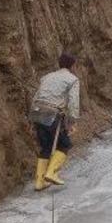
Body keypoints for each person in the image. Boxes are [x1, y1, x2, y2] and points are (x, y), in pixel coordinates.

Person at [30, 53, 81, 191]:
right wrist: (72, 122)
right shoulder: (72, 80)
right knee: (65, 144)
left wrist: (32, 118)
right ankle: (51, 173)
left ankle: (39, 182)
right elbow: (73, 103)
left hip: (36, 111)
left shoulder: (46, 77)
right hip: (52, 113)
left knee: (45, 146)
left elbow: (36, 96)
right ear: (71, 65)